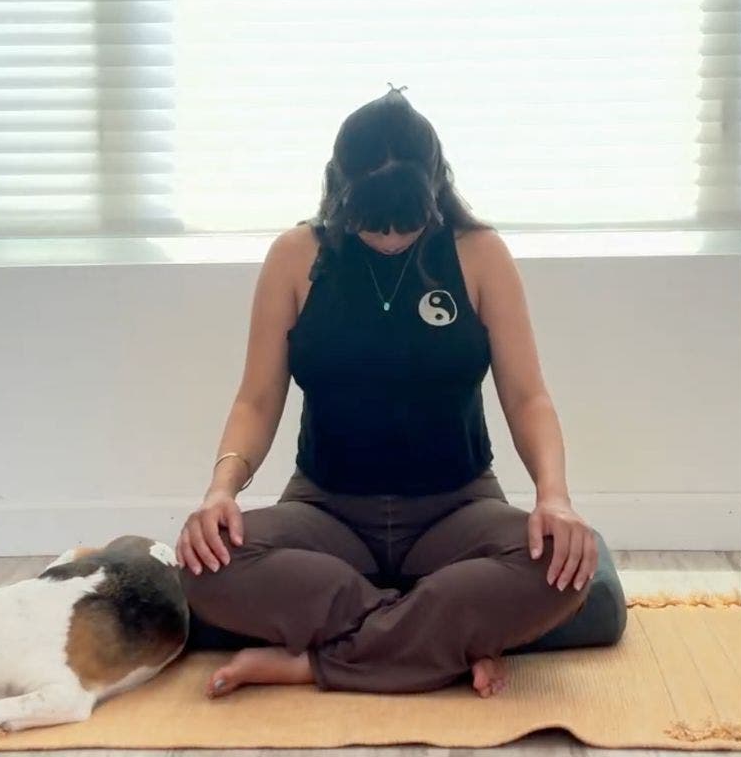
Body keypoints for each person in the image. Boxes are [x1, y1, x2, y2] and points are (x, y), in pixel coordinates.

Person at [175, 88, 595, 698]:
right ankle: (441, 643)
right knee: (202, 569)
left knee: (570, 573)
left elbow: (529, 398)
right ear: (339, 194)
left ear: (435, 190)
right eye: (374, 224)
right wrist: (220, 492)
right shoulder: (296, 258)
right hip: (326, 511)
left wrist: (553, 498)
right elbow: (256, 401)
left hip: (457, 511)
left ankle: (313, 660)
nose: (392, 239)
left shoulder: (480, 255)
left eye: (408, 222)